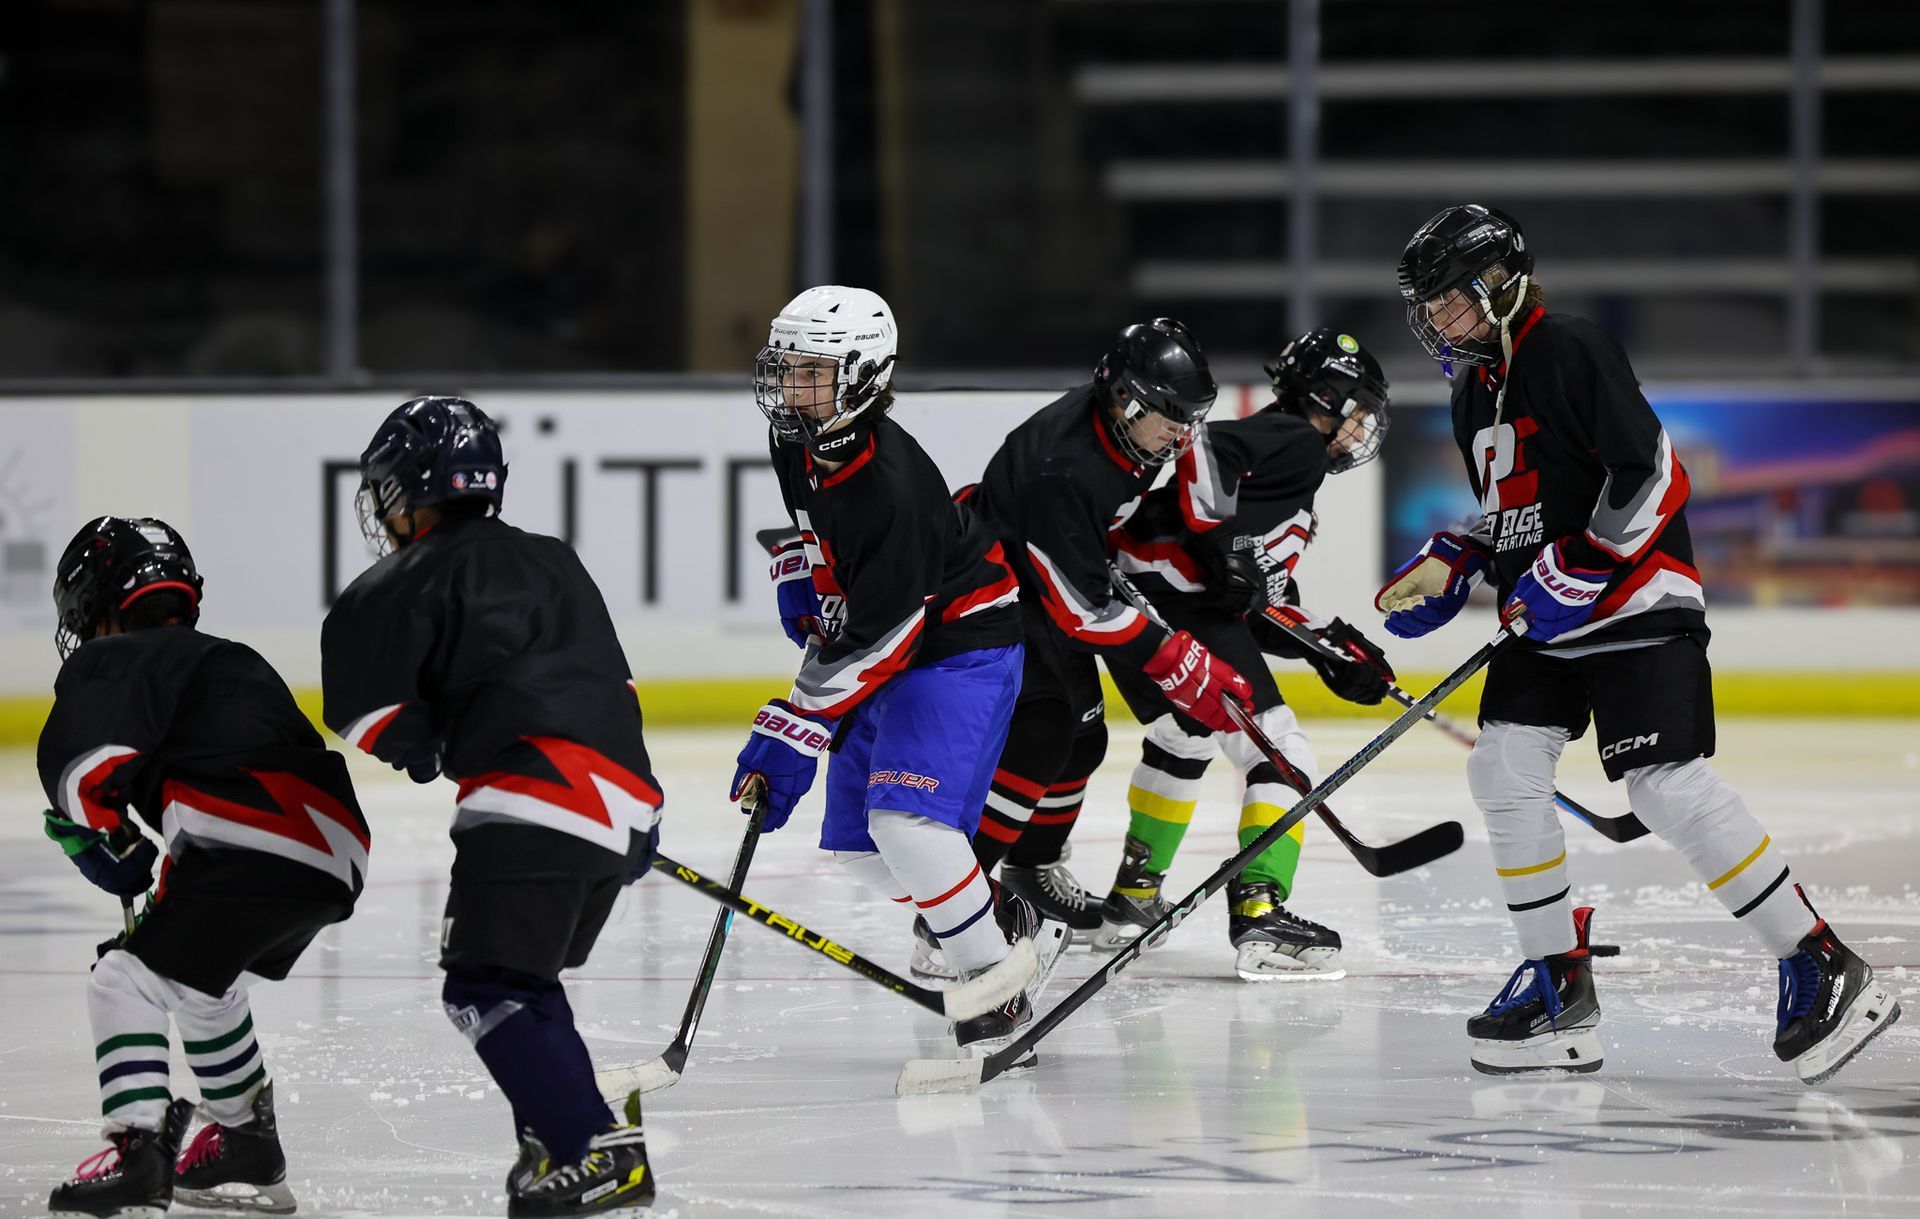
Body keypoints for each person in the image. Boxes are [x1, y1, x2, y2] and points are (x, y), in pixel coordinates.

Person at [1384, 203, 1900, 1080]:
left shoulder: (1569, 348)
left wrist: (1584, 562)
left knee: (1663, 785)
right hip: (1547, 620)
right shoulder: (1473, 386)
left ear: (1499, 285)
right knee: (1502, 767)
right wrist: (1457, 554)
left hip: (1635, 598)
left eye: (1450, 302)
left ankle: (1820, 961)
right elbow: (1520, 509)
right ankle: (1558, 984)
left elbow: (1655, 471)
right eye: (1427, 306)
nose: (1437, 320)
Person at [321, 397, 661, 1215]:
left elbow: (366, 713)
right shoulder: (553, 557)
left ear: (405, 492)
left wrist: (427, 747)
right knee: (526, 978)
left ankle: (594, 1148)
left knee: (484, 983)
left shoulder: (397, 582)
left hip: (534, 796)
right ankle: (554, 1135)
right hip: (631, 803)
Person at [739, 285, 1066, 1061]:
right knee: (859, 848)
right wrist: (804, 571)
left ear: (862, 376)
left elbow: (890, 634)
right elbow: (819, 527)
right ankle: (1000, 920)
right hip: (899, 638)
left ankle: (996, 982)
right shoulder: (799, 437)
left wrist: (798, 724)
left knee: (908, 822)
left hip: (960, 647)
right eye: (788, 366)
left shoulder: (895, 486)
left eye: (812, 370)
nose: (792, 385)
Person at [39, 516, 368, 1217]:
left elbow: (74, 768)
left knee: (122, 980)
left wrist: (102, 838)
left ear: (97, 609)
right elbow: (229, 770)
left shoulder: (115, 658)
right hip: (335, 849)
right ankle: (247, 1138)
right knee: (201, 983)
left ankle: (138, 1154)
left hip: (256, 839)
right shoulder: (224, 657)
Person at [1097, 327, 1396, 981]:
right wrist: (1224, 543)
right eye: (1359, 412)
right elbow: (1207, 447)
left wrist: (1333, 648)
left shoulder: (1282, 466)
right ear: (1330, 399)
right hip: (1174, 600)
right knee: (1282, 751)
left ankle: (1133, 897)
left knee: (1186, 734)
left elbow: (1257, 596)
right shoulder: (1294, 442)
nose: (1360, 431)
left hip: (1139, 597)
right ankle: (1260, 908)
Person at [954, 318, 1253, 937]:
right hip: (995, 595)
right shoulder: (1062, 467)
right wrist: (1175, 654)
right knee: (1043, 738)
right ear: (1124, 398)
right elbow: (1080, 611)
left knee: (1084, 740)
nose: (1178, 437)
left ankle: (1030, 873)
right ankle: (954, 908)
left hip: (1048, 578)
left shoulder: (1135, 430)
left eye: (1186, 421)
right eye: (1168, 420)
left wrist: (1217, 547)